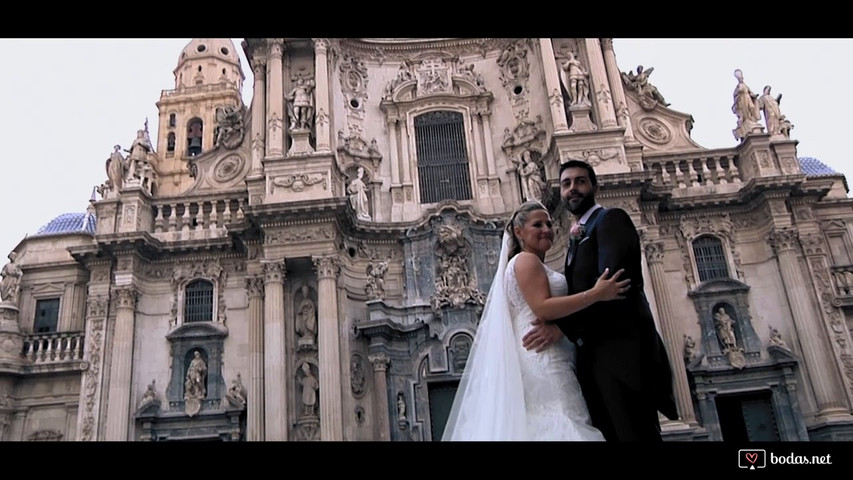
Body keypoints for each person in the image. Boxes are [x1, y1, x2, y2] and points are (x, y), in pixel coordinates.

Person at [442, 200, 631, 441]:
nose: (546, 229)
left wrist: (563, 328)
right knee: (563, 417)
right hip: (544, 356)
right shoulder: (526, 261)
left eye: (549, 223)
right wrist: (596, 294)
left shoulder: (526, 263)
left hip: (543, 351)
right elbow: (542, 309)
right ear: (519, 232)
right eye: (537, 224)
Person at [522, 160, 678, 441]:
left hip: (622, 356)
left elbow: (614, 287)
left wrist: (562, 328)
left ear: (595, 186)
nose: (573, 189)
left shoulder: (611, 219)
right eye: (566, 183)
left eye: (580, 181)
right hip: (594, 359)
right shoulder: (577, 236)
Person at [732, 69, 761, 141]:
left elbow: (750, 92)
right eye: (740, 77)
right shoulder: (737, 87)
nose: (741, 79)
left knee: (751, 107)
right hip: (742, 100)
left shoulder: (745, 85)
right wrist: (739, 92)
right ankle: (746, 119)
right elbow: (735, 94)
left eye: (741, 77)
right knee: (745, 111)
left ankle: (751, 119)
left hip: (747, 98)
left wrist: (754, 95)